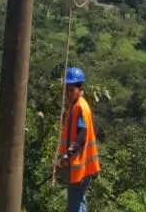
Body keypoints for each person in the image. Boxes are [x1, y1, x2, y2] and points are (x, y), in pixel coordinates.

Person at [57, 66, 100, 212]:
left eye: (71, 90)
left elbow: (82, 136)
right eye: (67, 89)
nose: (68, 93)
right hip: (77, 163)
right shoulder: (74, 106)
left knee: (75, 205)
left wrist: (67, 155)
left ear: (79, 88)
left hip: (80, 165)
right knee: (78, 202)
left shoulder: (81, 107)